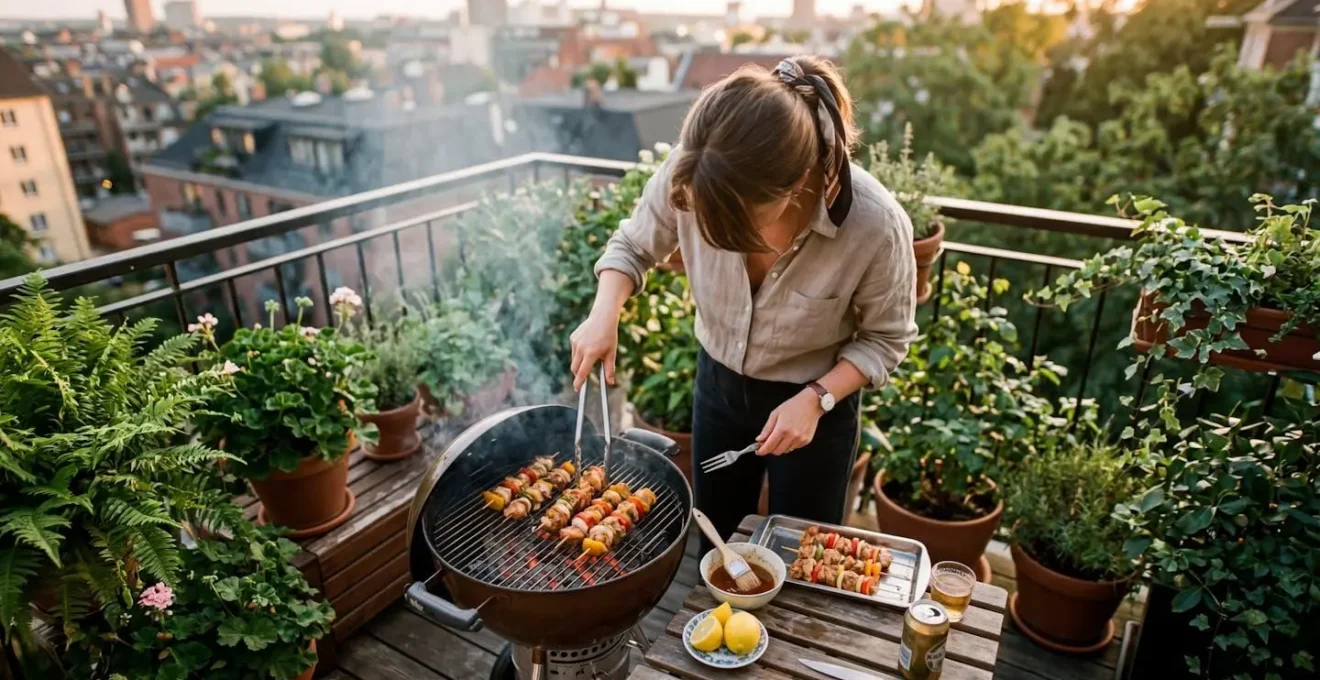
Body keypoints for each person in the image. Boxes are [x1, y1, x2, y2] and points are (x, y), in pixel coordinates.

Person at [571, 56, 918, 547]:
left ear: (794, 187)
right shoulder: (695, 170)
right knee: (717, 538)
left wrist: (817, 400)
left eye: (734, 225)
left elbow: (886, 339)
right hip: (718, 388)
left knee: (800, 551)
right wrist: (604, 312)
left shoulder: (874, 225)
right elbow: (632, 246)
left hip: (815, 403)